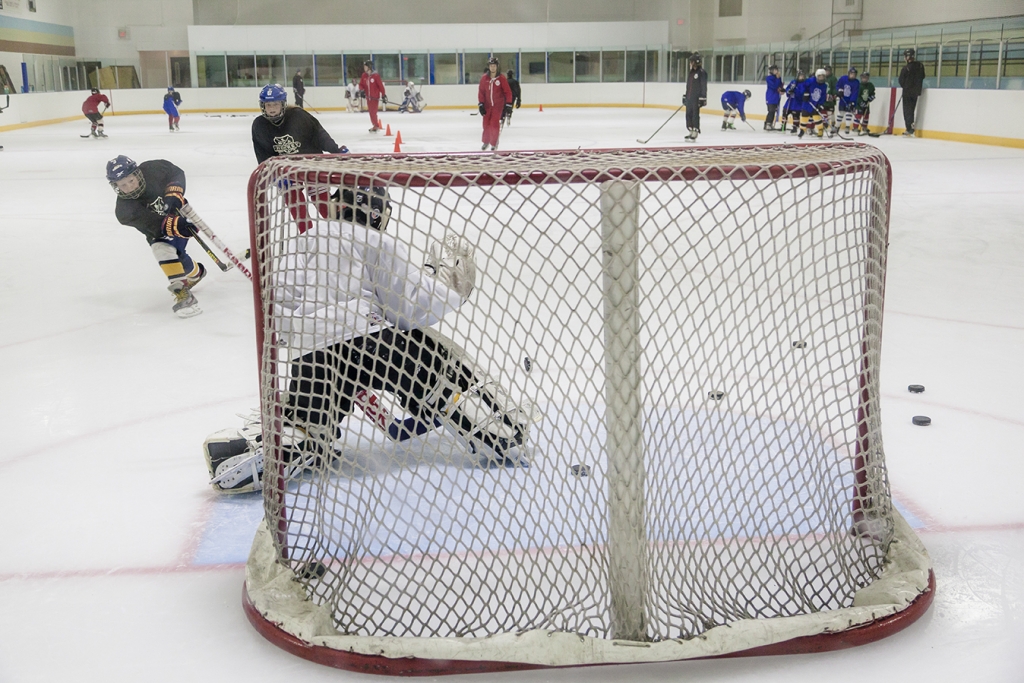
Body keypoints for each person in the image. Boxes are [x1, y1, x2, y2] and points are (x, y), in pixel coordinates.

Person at [204, 188, 532, 493]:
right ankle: (499, 431)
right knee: (441, 366)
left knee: (307, 417)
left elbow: (277, 308)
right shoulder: (376, 241)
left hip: (312, 356)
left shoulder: (301, 242)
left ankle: (275, 445)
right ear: (376, 213)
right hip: (375, 345)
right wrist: (449, 285)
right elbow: (407, 309)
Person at [106, 155, 206, 318]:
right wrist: (177, 225)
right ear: (115, 186)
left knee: (174, 255)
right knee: (166, 250)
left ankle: (189, 282)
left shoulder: (153, 169)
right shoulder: (124, 211)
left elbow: (176, 172)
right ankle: (191, 280)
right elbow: (155, 226)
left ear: (137, 174)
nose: (129, 187)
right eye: (122, 185)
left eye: (131, 181)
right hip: (159, 232)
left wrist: (174, 193)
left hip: (179, 213)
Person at [252, 83, 348, 232]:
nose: (271, 108)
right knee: (294, 201)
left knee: (322, 201)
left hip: (312, 163)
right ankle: (306, 235)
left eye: (275, 104)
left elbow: (320, 135)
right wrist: (276, 176)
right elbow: (263, 157)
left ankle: (343, 228)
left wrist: (335, 150)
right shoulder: (259, 125)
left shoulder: (298, 116)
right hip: (287, 169)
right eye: (268, 104)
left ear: (283, 104)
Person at [477, 57, 512, 151]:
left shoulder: (501, 78)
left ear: (497, 67)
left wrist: (508, 104)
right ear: (488, 67)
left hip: (497, 106)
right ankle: (486, 141)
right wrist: (481, 104)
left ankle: (493, 143)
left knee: (494, 124)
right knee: (485, 124)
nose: (492, 68)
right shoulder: (484, 78)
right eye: (491, 66)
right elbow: (481, 92)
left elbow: (507, 92)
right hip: (487, 106)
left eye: (494, 66)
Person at [899, 48, 926, 137]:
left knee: (907, 111)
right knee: (911, 109)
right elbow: (923, 76)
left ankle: (909, 129)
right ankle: (910, 127)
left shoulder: (905, 68)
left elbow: (901, 81)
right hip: (916, 92)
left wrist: (906, 86)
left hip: (907, 92)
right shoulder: (920, 66)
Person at [682, 53, 707, 142]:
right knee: (688, 114)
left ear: (695, 62)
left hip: (696, 98)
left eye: (691, 62)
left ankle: (695, 131)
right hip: (689, 97)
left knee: (695, 115)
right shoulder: (691, 73)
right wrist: (685, 96)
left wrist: (703, 98)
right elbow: (688, 85)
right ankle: (690, 129)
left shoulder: (701, 73)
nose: (690, 64)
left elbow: (703, 86)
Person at [799, 69, 829, 138]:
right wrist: (804, 93)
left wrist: (820, 104)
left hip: (815, 103)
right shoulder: (811, 81)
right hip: (807, 102)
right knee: (804, 117)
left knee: (817, 117)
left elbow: (823, 96)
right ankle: (802, 130)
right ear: (816, 76)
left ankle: (820, 130)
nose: (821, 78)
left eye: (822, 76)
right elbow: (803, 86)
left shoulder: (824, 86)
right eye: (819, 76)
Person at [359, 61, 386, 133]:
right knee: (370, 112)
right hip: (368, 97)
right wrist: (362, 91)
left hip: (374, 97)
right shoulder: (364, 75)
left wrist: (383, 95)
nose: (364, 68)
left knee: (373, 112)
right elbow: (361, 84)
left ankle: (376, 125)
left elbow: (380, 86)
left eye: (365, 66)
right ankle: (375, 124)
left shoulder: (376, 76)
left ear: (369, 67)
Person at [834, 67, 860, 135]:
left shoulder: (856, 82)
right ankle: (837, 127)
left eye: (854, 74)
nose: (852, 75)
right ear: (848, 73)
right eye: (851, 74)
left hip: (850, 101)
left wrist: (852, 101)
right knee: (841, 113)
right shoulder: (843, 78)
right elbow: (838, 85)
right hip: (843, 99)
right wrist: (839, 90)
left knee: (849, 113)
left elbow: (855, 92)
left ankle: (847, 126)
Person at [853, 71, 876, 136]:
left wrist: (872, 97)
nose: (864, 79)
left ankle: (864, 127)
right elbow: (857, 96)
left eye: (866, 78)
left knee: (866, 116)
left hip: (866, 104)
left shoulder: (870, 85)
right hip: (858, 105)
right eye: (863, 77)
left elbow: (872, 93)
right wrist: (860, 102)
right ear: (861, 78)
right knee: (858, 116)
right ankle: (855, 128)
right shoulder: (859, 86)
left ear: (868, 78)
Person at [764, 65, 784, 131]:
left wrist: (782, 88)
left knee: (773, 111)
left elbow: (780, 85)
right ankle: (768, 124)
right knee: (771, 110)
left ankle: (768, 123)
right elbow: (774, 86)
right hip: (770, 96)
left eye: (776, 70)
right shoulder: (769, 78)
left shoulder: (777, 77)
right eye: (774, 70)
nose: (776, 71)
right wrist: (778, 79)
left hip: (776, 97)